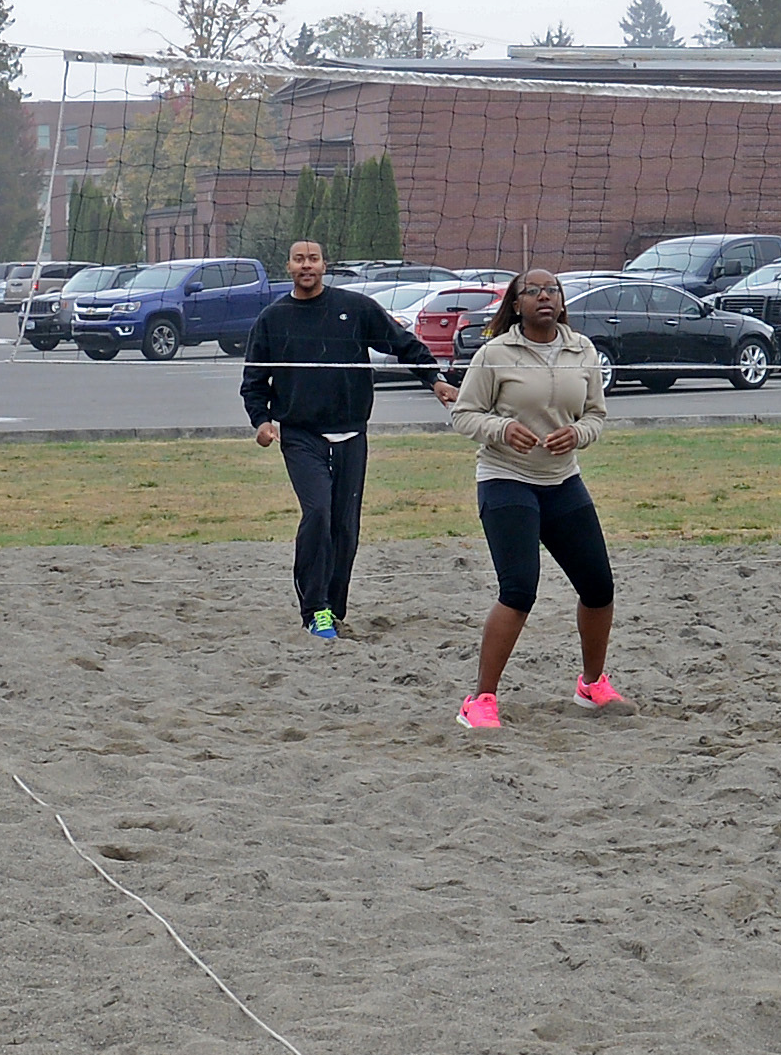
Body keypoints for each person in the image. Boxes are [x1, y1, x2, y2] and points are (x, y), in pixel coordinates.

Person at [241, 240, 455, 641]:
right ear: (288, 266)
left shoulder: (355, 309)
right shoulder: (273, 319)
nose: (307, 265)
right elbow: (253, 381)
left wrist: (434, 379)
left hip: (352, 432)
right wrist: (262, 421)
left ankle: (333, 608)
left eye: (313, 259)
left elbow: (401, 343)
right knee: (318, 514)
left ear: (325, 265)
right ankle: (314, 610)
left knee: (345, 527)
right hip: (300, 434)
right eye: (299, 259)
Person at [447, 271, 626, 730]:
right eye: (533, 291)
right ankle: (480, 700)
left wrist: (578, 434)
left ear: (562, 302)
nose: (544, 296)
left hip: (562, 480)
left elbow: (596, 415)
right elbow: (464, 415)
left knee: (599, 586)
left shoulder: (581, 350)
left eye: (552, 290)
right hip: (506, 478)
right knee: (519, 589)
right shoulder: (494, 354)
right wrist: (502, 428)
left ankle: (591, 685)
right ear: (517, 304)